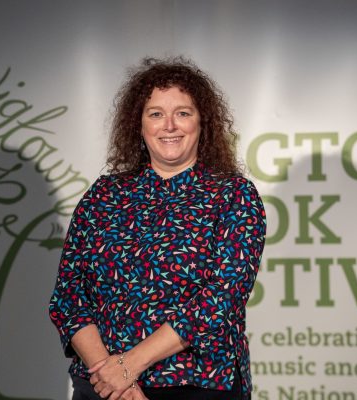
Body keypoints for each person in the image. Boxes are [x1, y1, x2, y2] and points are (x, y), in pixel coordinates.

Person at [49, 57, 266, 400]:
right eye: (155, 114)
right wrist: (115, 378)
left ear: (202, 122)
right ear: (138, 124)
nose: (169, 125)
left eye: (182, 112)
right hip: (104, 387)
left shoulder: (233, 195)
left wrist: (130, 365)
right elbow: (69, 298)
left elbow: (220, 299)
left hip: (198, 384)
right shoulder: (104, 195)